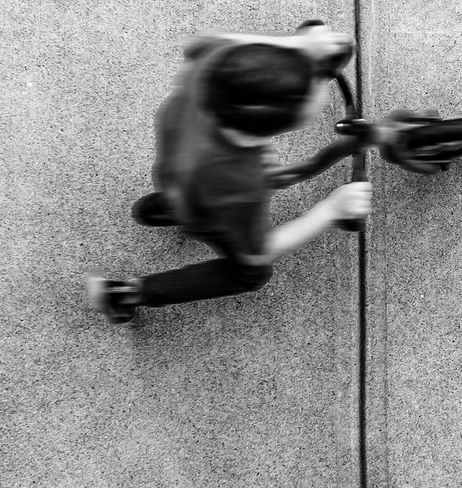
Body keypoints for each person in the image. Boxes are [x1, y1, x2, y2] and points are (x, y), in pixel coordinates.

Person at [86, 20, 368, 324]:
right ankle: (125, 294)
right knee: (249, 274)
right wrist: (328, 211)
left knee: (181, 198)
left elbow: (208, 40)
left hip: (178, 172)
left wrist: (298, 43)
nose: (321, 81)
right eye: (316, 85)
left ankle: (158, 210)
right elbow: (258, 251)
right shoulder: (240, 184)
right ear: (292, 120)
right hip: (208, 207)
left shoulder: (205, 75)